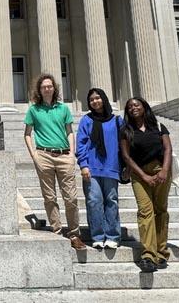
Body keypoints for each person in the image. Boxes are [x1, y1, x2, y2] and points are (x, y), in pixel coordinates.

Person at [23, 73, 86, 250]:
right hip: (44, 155)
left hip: (64, 155)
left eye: (49, 86)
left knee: (71, 197)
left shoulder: (63, 109)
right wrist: (34, 155)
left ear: (54, 88)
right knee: (49, 197)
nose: (47, 89)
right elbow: (27, 134)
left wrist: (72, 154)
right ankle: (57, 231)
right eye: (44, 87)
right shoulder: (34, 110)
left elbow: (69, 132)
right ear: (40, 90)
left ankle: (74, 234)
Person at [119, 97, 173, 273]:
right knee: (145, 211)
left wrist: (164, 170)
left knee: (161, 210)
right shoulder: (126, 130)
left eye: (137, 105)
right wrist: (143, 175)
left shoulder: (158, 127)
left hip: (161, 171)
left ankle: (161, 252)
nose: (133, 108)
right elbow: (126, 157)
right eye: (130, 106)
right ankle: (148, 255)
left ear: (144, 107)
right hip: (139, 173)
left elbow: (168, 149)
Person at [76, 88, 123, 250]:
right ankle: (97, 235)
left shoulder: (116, 120)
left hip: (111, 166)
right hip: (92, 168)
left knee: (111, 201)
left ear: (103, 99)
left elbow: (123, 144)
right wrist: (83, 165)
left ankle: (112, 236)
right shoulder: (86, 120)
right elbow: (81, 143)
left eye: (97, 98)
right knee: (94, 201)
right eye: (91, 100)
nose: (95, 101)